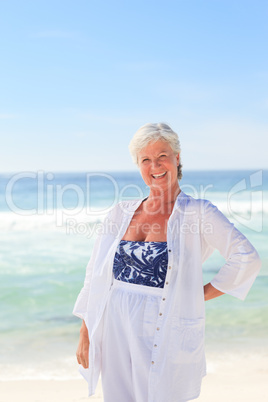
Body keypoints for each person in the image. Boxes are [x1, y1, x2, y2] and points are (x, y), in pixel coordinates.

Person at [73, 122, 261, 402]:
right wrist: (85, 332)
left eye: (162, 156)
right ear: (138, 165)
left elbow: (246, 258)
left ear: (177, 157)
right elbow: (95, 276)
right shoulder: (121, 212)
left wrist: (196, 296)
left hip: (164, 328)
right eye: (145, 159)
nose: (155, 165)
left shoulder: (198, 212)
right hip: (114, 328)